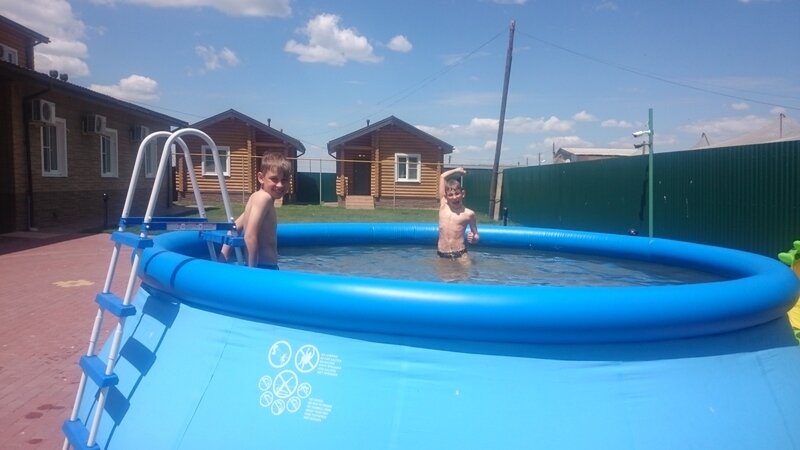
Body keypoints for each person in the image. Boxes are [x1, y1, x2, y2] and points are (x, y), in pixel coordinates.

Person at [221, 153, 291, 268]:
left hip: (259, 267)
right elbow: (249, 236)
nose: (279, 185)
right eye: (274, 179)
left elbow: (234, 228)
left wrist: (223, 258)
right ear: (261, 178)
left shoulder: (257, 197)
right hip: (263, 268)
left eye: (284, 180)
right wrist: (252, 271)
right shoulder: (264, 198)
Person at [437, 167, 479, 259]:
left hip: (460, 253)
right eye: (450, 195)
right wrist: (456, 171)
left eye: (457, 193)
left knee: (467, 268)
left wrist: (474, 238)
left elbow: (476, 235)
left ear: (463, 194)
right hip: (442, 253)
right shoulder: (443, 206)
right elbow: (442, 176)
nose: (454, 197)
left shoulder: (469, 214)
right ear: (446, 197)